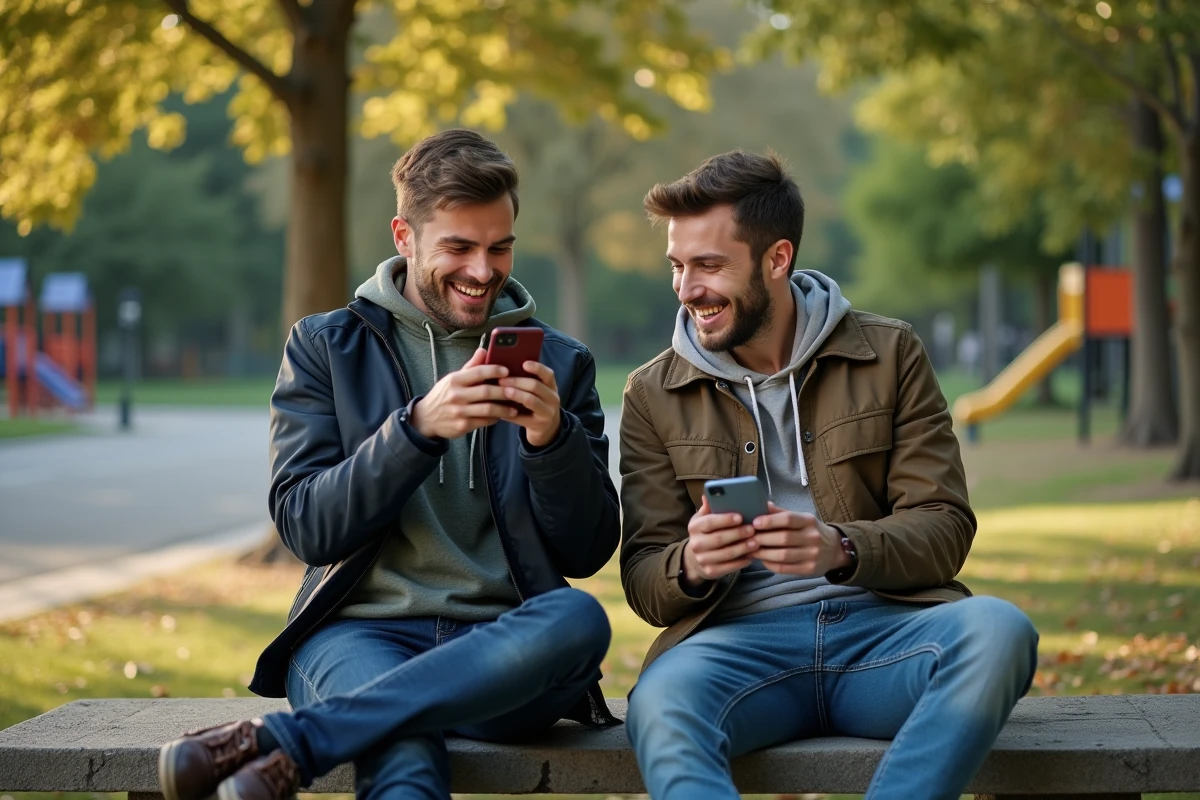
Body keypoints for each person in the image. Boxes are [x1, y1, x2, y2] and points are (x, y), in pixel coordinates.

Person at [157, 129, 620, 800]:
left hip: (504, 648)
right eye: (458, 247)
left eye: (499, 247)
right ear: (404, 237)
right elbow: (307, 527)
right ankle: (326, 733)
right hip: (358, 636)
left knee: (579, 620)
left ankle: (289, 742)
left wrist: (551, 441)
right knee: (403, 752)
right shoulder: (326, 346)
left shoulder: (562, 363)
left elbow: (588, 549)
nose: (483, 271)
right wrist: (416, 429)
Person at [618, 150, 1038, 800]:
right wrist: (693, 565)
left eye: (709, 265)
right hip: (736, 650)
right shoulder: (653, 392)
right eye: (678, 265)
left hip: (886, 636)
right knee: (659, 702)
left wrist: (841, 548)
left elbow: (945, 527)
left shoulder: (890, 353)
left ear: (777, 258)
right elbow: (645, 578)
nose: (686, 288)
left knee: (1001, 631)